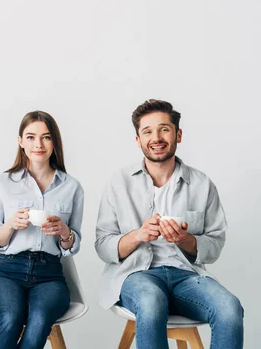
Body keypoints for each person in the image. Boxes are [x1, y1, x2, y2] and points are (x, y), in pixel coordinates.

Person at [95, 99, 244, 349]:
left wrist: (185, 240)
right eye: (147, 131)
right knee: (152, 301)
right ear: (138, 140)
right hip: (136, 275)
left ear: (178, 134)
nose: (156, 137)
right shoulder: (119, 182)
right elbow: (102, 246)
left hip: (186, 277)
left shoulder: (201, 184)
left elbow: (215, 243)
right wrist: (138, 235)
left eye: (164, 129)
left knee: (230, 309)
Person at [0, 110, 84, 349]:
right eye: (30, 137)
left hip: (49, 274)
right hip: (8, 270)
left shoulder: (71, 187)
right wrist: (10, 225)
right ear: (20, 142)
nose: (38, 144)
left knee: (39, 321)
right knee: (11, 317)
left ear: (54, 143)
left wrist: (64, 232)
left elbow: (74, 244)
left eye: (46, 137)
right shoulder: (3, 182)